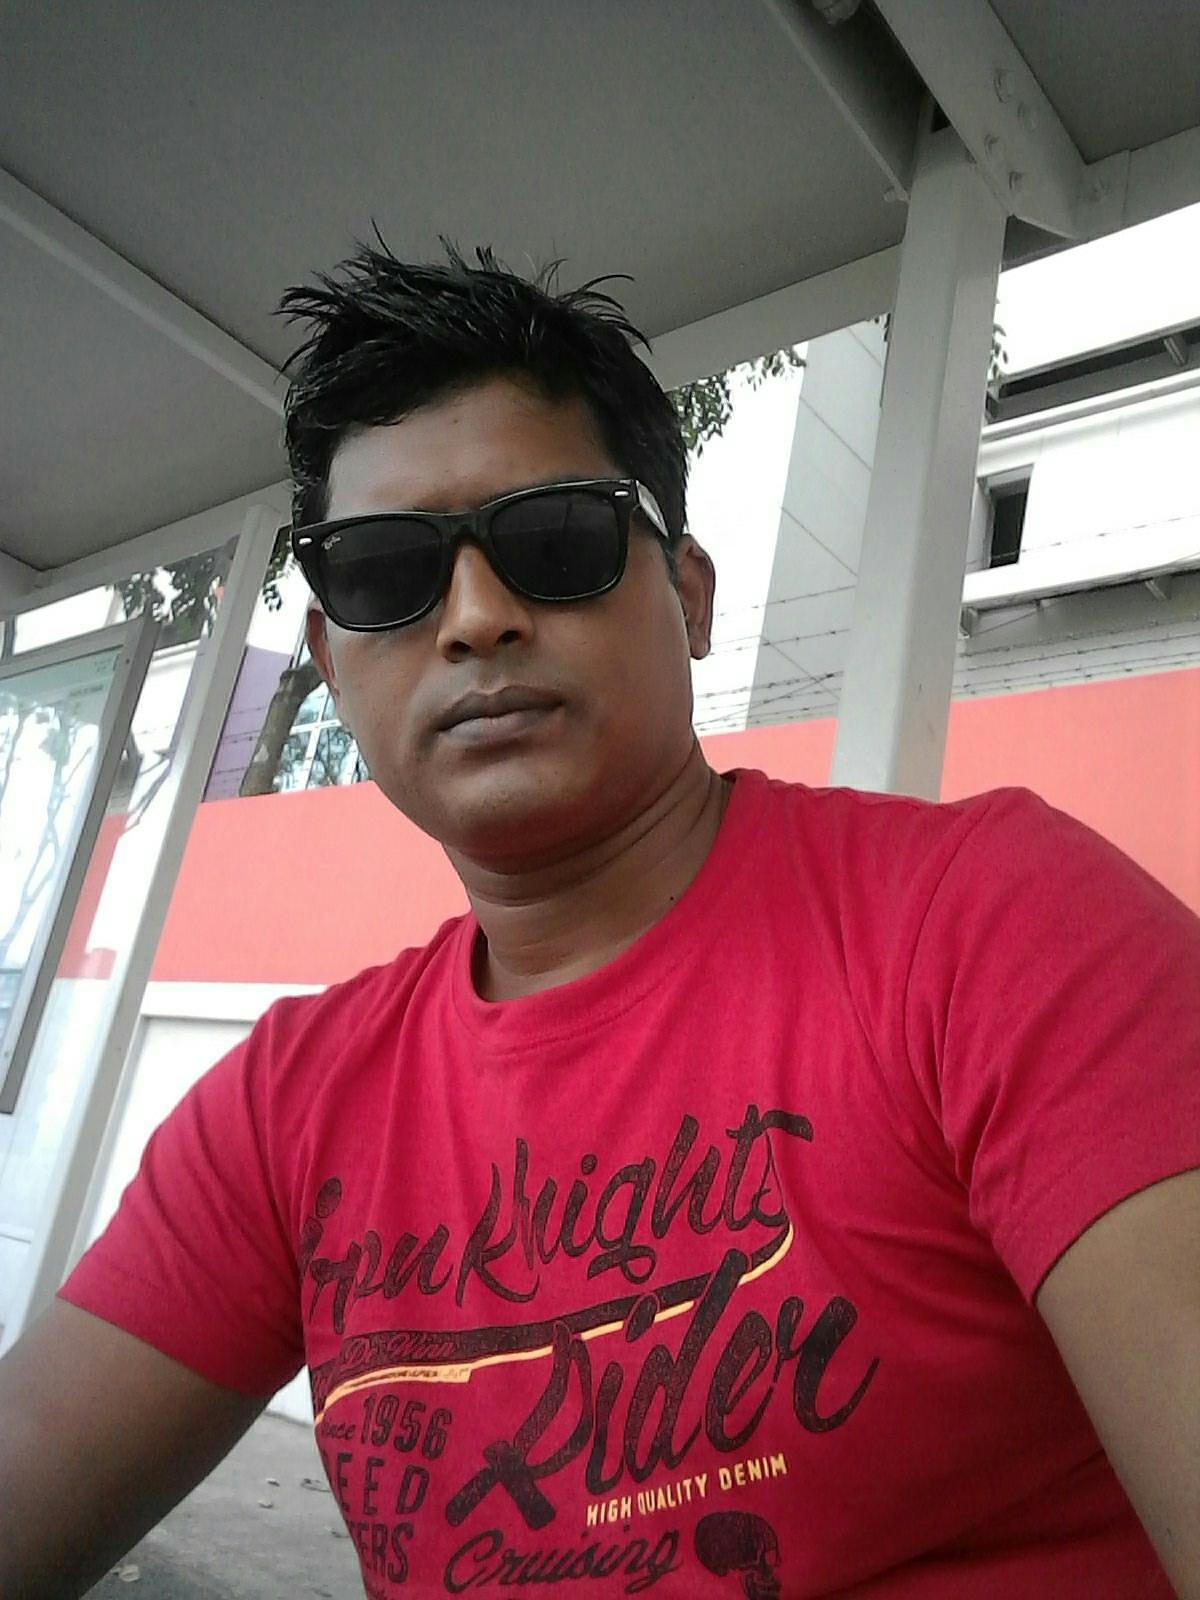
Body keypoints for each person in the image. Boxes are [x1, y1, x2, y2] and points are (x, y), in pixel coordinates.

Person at [1, 244, 1198, 1600]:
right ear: (330, 662)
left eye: (555, 539)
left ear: (687, 597)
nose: (476, 619)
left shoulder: (993, 928)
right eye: (386, 572)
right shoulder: (282, 1113)